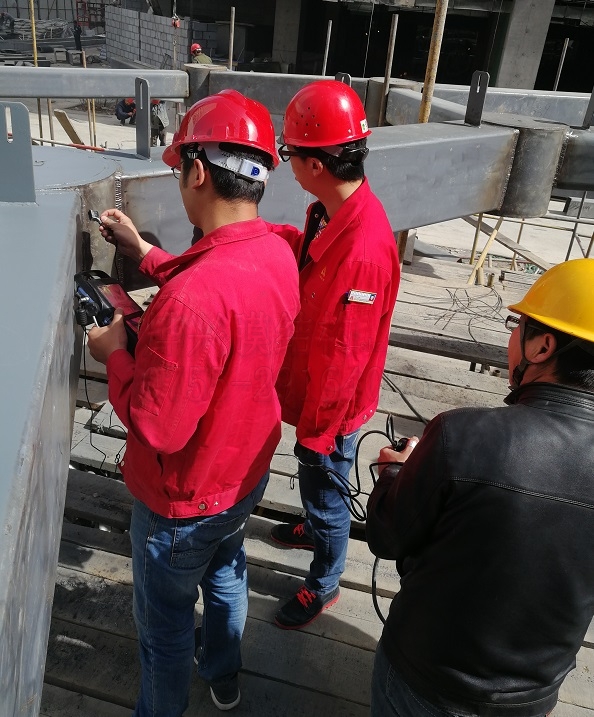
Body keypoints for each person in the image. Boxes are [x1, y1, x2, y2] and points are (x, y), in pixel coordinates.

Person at [86, 89, 300, 716]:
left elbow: (159, 429)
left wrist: (113, 354)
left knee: (165, 629)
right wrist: (142, 250)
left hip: (182, 504)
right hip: (245, 475)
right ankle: (224, 676)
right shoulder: (276, 252)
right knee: (227, 575)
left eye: (180, 167)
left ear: (198, 172)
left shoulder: (191, 300)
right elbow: (219, 283)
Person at [366, 258, 594, 717]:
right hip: (530, 697)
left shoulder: (462, 435)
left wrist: (394, 473)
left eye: (518, 325)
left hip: (424, 679)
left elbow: (387, 537)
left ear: (543, 346)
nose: (513, 336)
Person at [266, 80, 401, 630]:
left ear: (317, 165)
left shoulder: (363, 251)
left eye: (291, 154)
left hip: (333, 413)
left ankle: (324, 582)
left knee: (326, 490)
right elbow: (311, 257)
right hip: (318, 393)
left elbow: (345, 358)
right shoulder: (330, 210)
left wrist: (317, 435)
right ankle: (315, 524)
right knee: (318, 489)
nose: (289, 165)